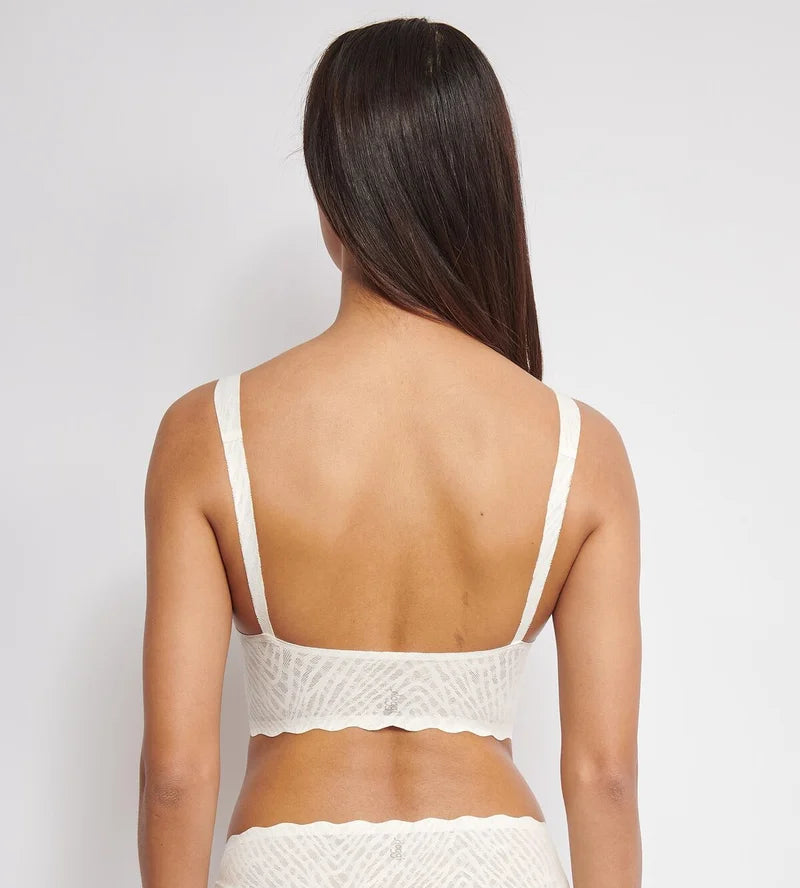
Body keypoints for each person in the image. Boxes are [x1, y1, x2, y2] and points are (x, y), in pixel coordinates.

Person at [138, 17, 642, 888]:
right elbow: (606, 778)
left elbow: (176, 776)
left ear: (335, 196)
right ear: (482, 190)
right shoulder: (581, 450)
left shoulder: (206, 434)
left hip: (288, 860)